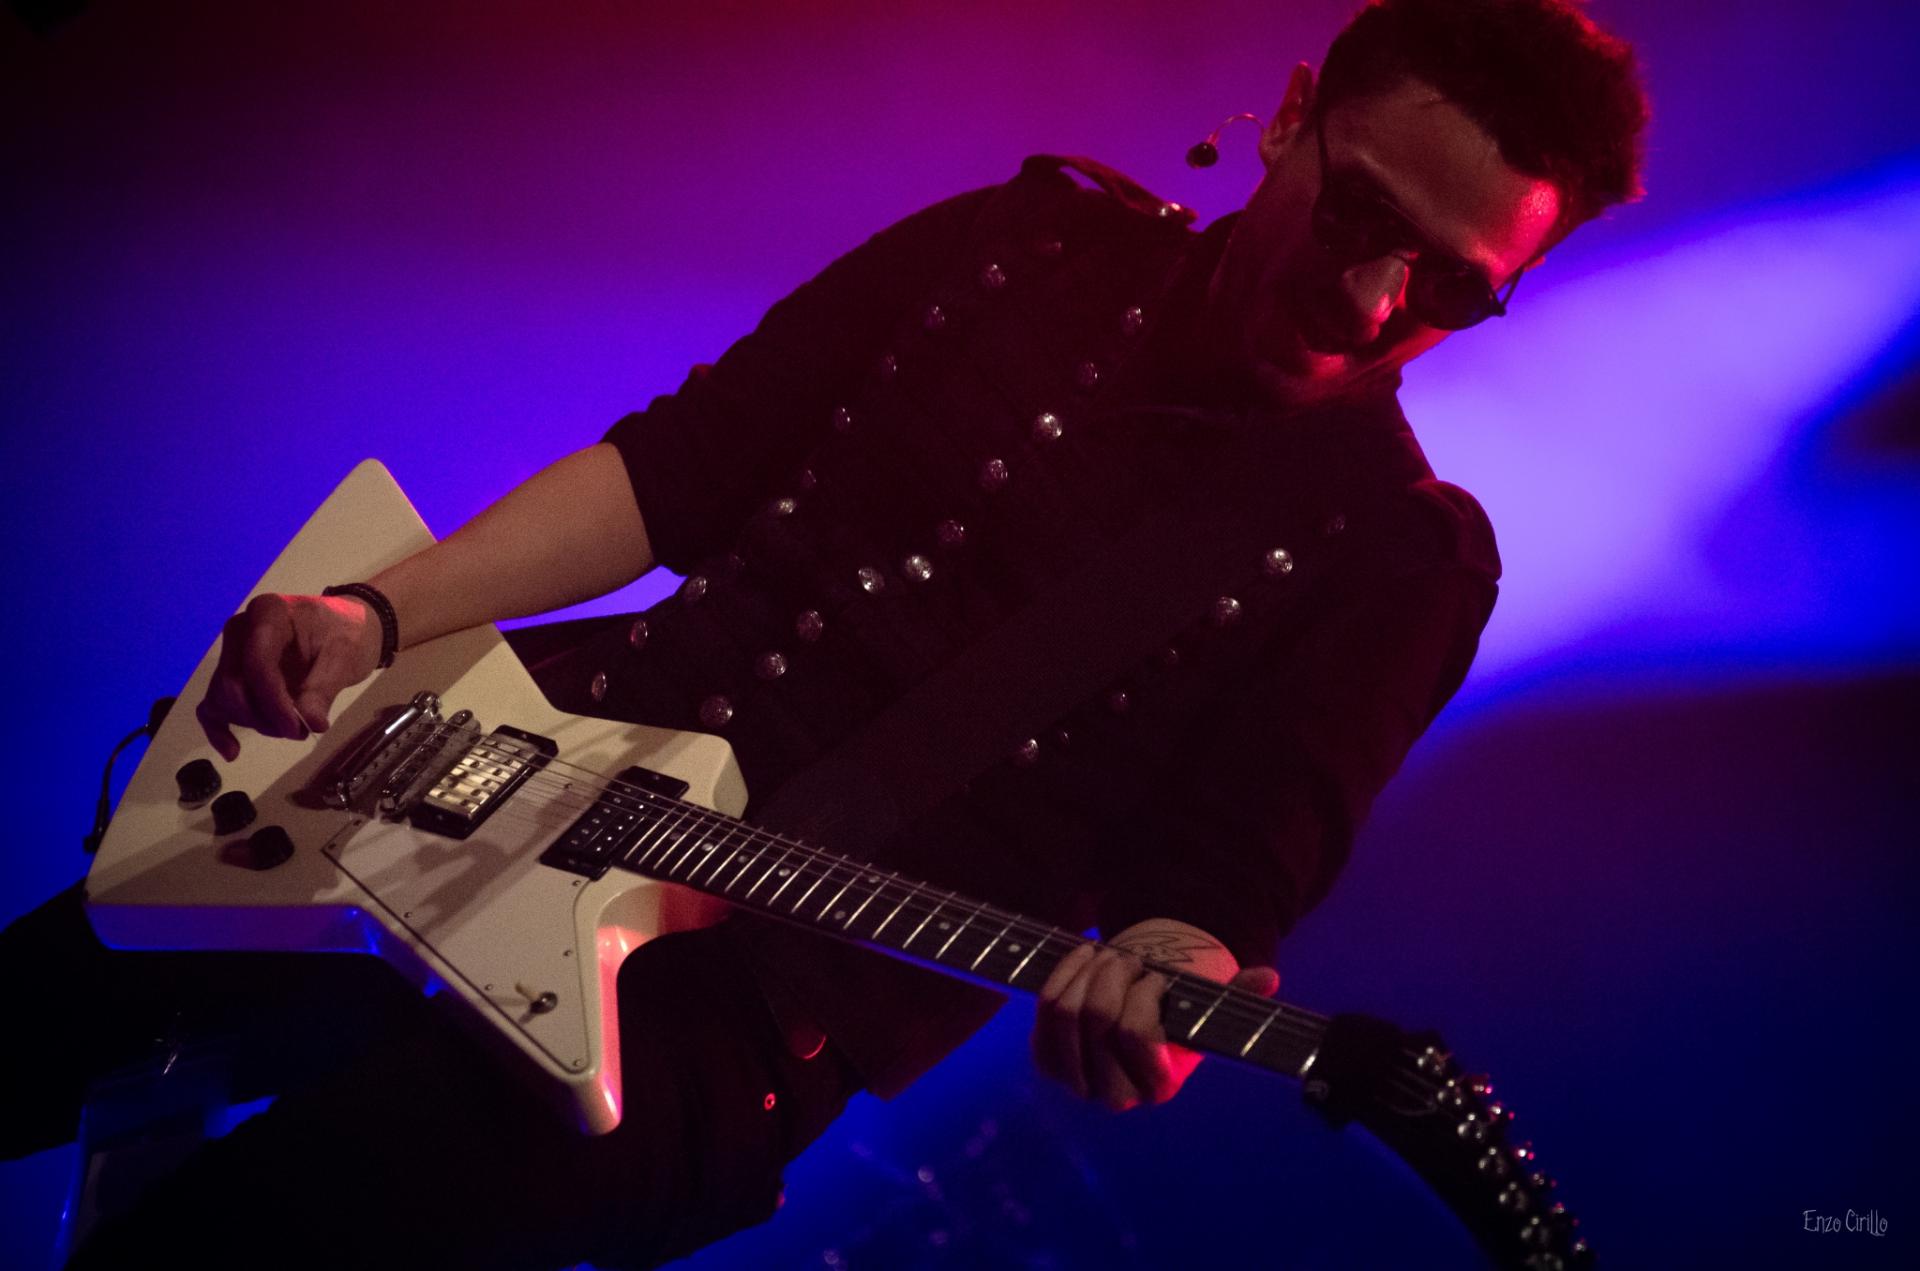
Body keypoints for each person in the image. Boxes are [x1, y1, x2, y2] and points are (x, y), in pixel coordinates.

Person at [4, 1, 1647, 1266]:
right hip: (480, 769)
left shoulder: (1400, 558)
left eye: (1453, 289)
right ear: (1292, 116)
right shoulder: (1020, 246)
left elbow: (1224, 878)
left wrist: (1171, 985)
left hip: (717, 1028)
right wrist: (379, 612)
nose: (1373, 302)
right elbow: (681, 468)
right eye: (1360, 214)